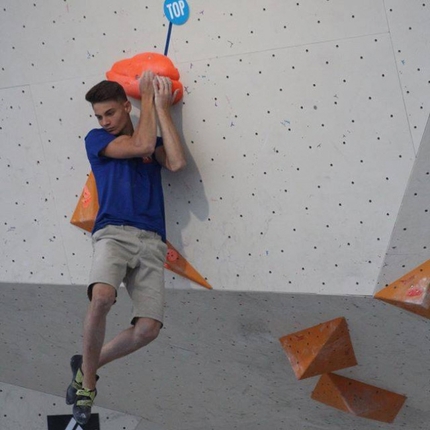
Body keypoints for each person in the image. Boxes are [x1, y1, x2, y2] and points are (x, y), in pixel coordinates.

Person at [66, 70, 186, 425]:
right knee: (101, 297)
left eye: (110, 113)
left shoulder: (148, 137)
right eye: (99, 116)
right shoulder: (96, 140)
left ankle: (87, 362)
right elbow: (141, 146)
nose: (104, 122)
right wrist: (147, 100)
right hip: (113, 233)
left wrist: (160, 106)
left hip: (151, 240)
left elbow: (176, 162)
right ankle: (88, 386)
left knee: (148, 329)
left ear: (125, 106)